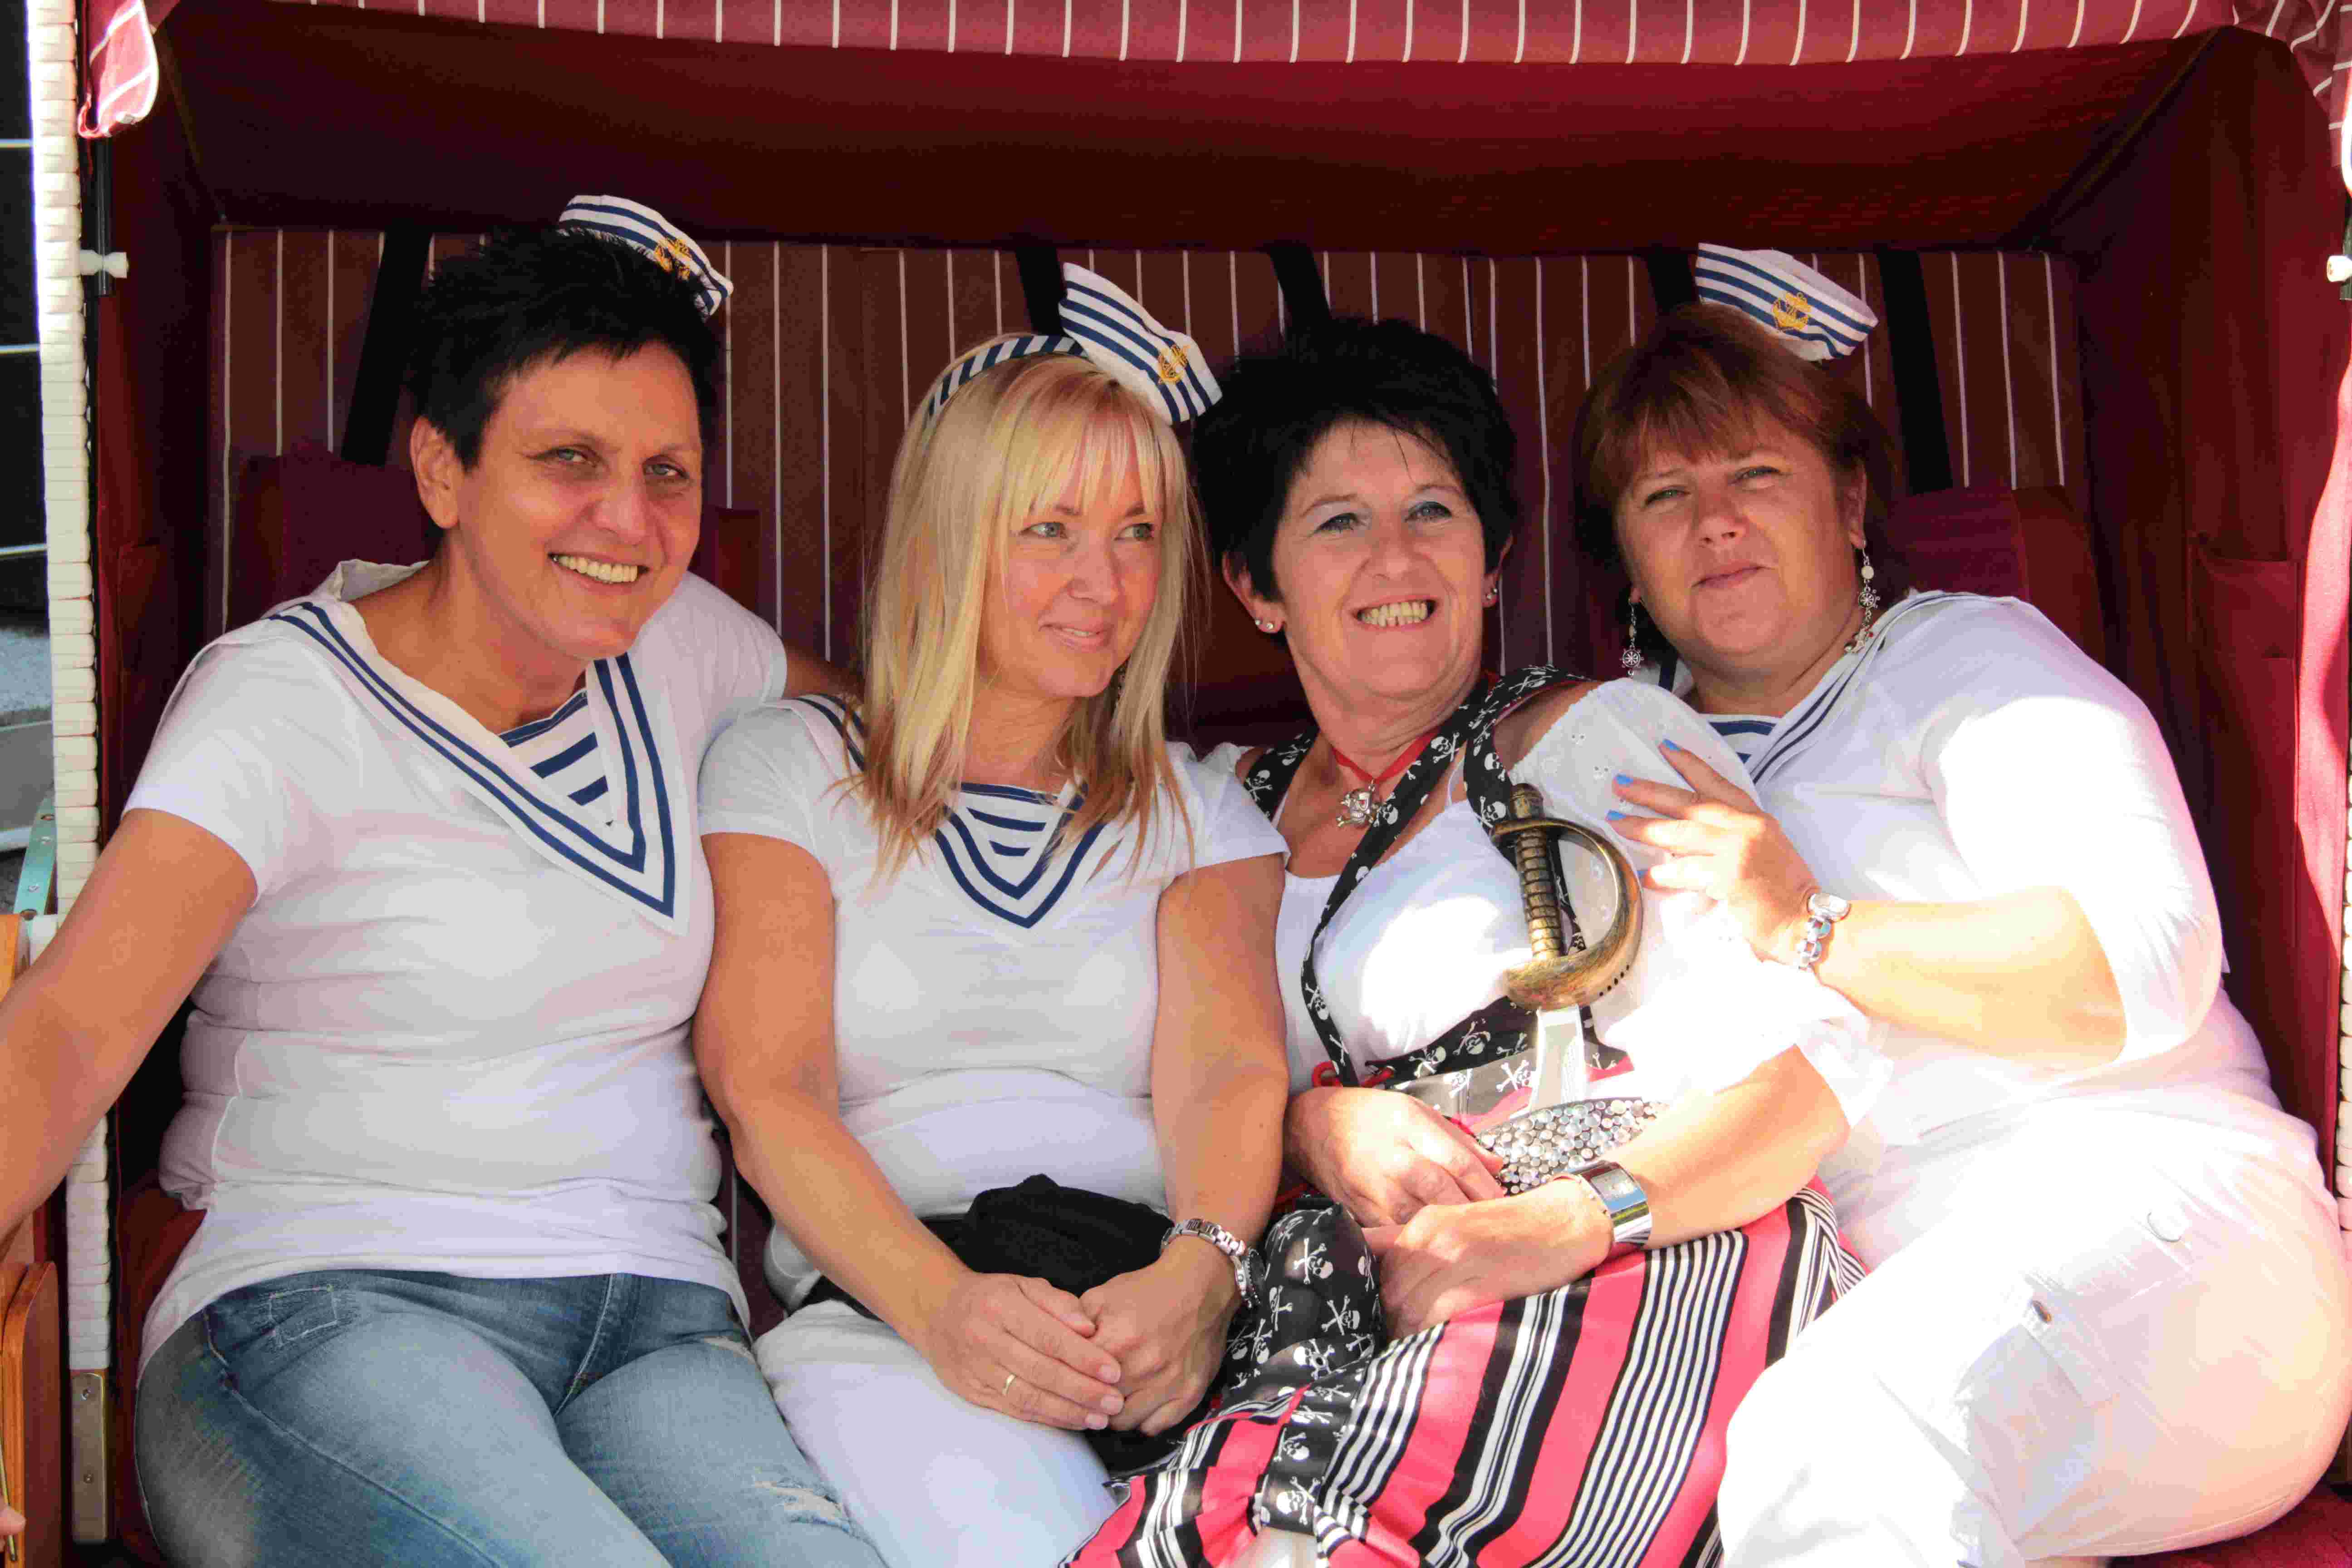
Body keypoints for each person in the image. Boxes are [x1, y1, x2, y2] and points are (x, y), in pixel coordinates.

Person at [0, 199, 882, 1567]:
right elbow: (69, 1029)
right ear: (441, 470)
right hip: (326, 1297)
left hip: (658, 1317)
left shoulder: (689, 644)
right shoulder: (283, 700)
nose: (629, 520)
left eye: (667, 472)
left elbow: (892, 745)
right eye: (569, 460)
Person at [1073, 315, 1886, 1568]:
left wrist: (1560, 1225)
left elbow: (1816, 1071)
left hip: (1639, 1268)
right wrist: (1309, 1124)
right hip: (1349, 1304)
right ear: (1256, 586)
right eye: (1337, 522)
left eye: (1433, 512)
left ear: (1494, 560)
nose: (1395, 557)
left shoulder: (1590, 743)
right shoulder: (1218, 811)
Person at [1571, 294, 2352, 1566]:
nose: (1715, 521)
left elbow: (2141, 965)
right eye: (1664, 496)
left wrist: (1809, 922)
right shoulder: (1609, 764)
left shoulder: (1967, 662)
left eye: (1757, 474)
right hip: (1852, 1287)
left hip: (2149, 1212)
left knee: (1845, 1439)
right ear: (1627, 561)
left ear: (1851, 504)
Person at [693, 271, 1293, 1568]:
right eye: (1050, 529)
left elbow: (1231, 1074)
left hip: (1153, 1321)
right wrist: (946, 1310)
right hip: (896, 1322)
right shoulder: (790, 767)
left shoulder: (1201, 810)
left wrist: (1199, 1284)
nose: (1103, 581)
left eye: (1138, 533)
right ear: (949, 540)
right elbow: (767, 1088)